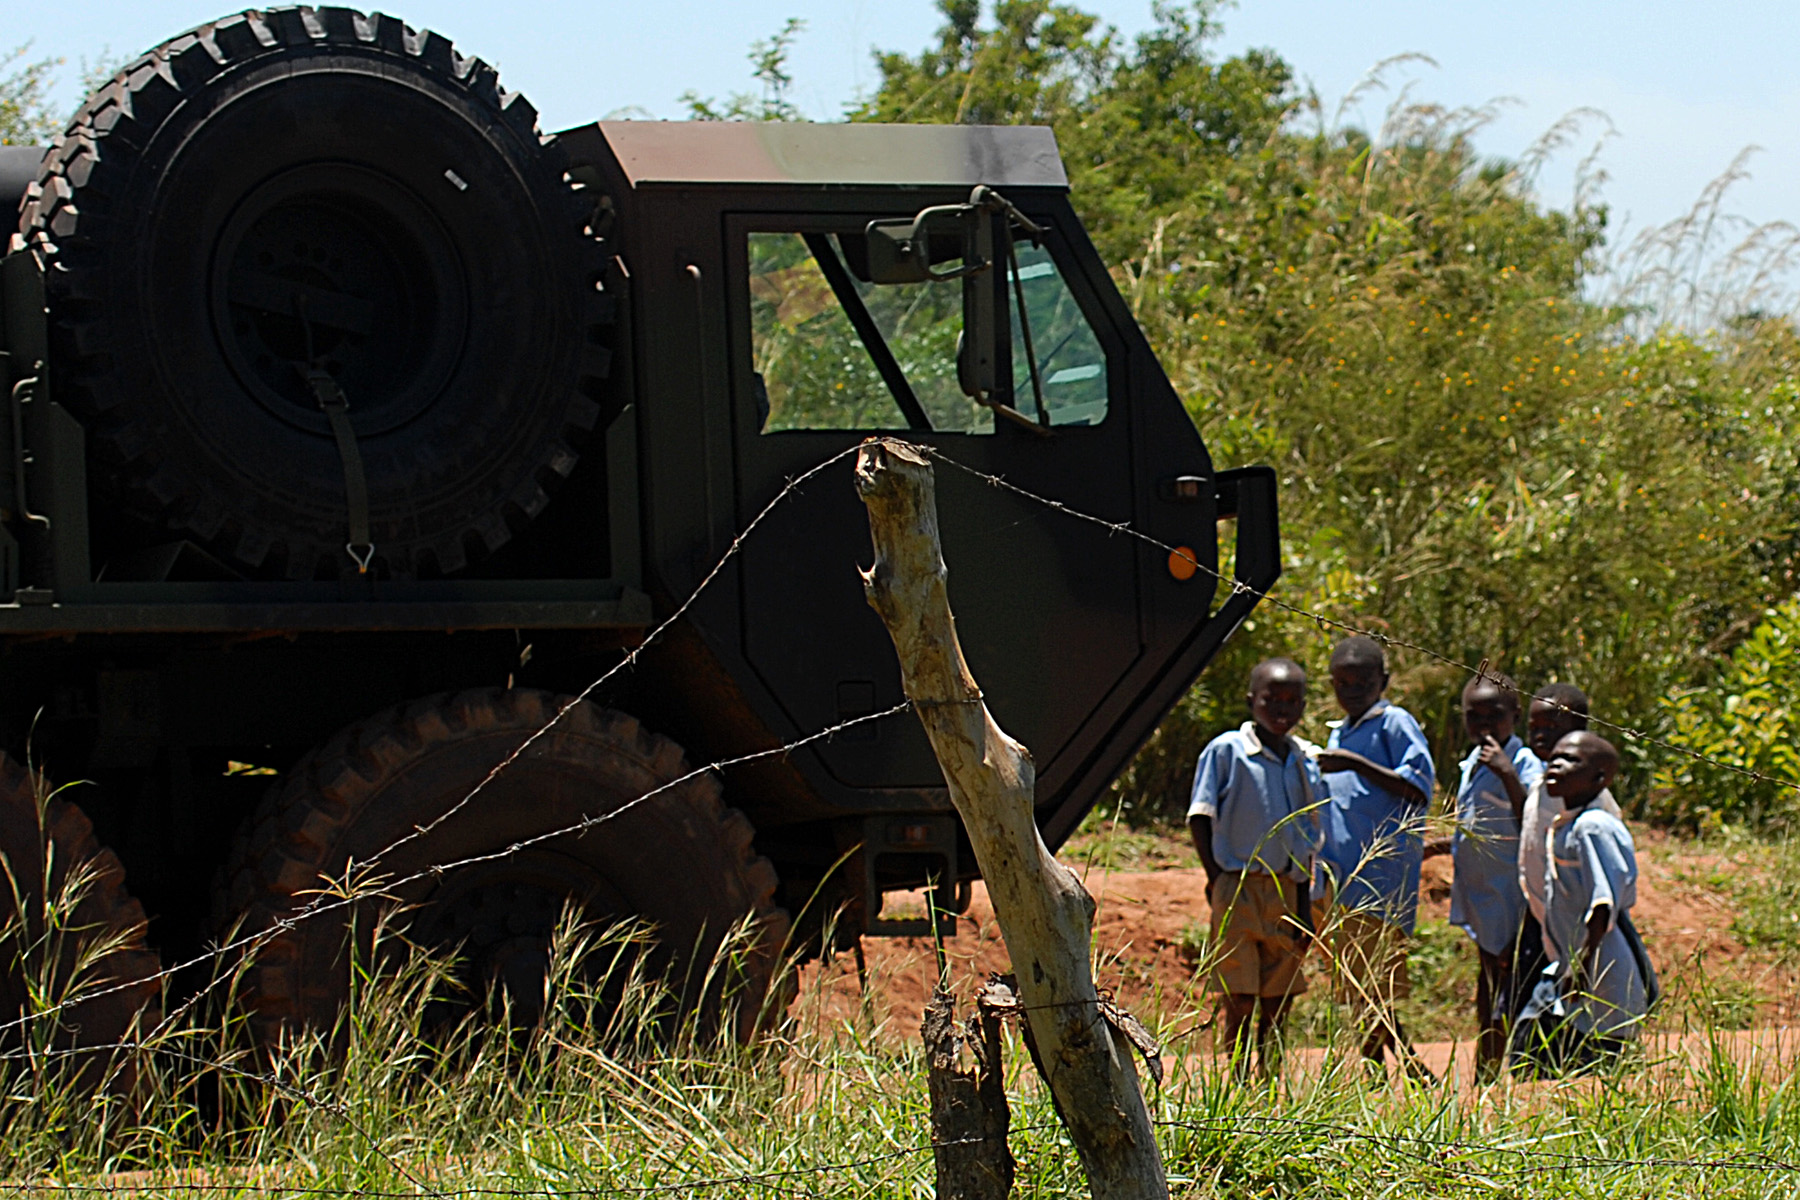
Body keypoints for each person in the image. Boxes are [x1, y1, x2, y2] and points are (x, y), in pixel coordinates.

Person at [1187, 657, 1324, 1079]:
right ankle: (1237, 1078)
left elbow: (1305, 839)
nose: (1282, 709)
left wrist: (1303, 905)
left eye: (1292, 700)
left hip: (1287, 889)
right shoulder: (1228, 751)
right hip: (1239, 885)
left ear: (1303, 705)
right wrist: (1217, 879)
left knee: (1279, 995)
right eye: (1271, 699)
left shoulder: (1303, 759)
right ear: (1252, 701)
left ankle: (1268, 1079)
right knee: (1239, 993)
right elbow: (1200, 817)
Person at [1311, 635, 1436, 1077]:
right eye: (1343, 683)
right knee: (1357, 983)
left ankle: (1377, 1068)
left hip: (1380, 879)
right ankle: (1404, 1061)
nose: (1352, 691)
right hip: (1340, 878)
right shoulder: (1337, 732)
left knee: (1372, 981)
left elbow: (1418, 787)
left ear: (1383, 681)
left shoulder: (1393, 723)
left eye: (1362, 682)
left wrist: (1354, 764)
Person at [1512, 731, 1652, 1075]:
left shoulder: (1591, 827)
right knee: (1532, 1054)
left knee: (1592, 1065)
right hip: (1569, 967)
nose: (1555, 764)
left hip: (1597, 970)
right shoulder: (1568, 824)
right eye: (1555, 757)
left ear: (1599, 779)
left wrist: (1581, 966)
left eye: (1571, 760)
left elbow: (1602, 905)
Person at [1450, 672, 1543, 1079]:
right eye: (1475, 715)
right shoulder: (1473, 759)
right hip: (1481, 893)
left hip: (1511, 896)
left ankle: (1502, 1073)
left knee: (1505, 985)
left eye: (1495, 714)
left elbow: (1533, 821)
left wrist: (1507, 774)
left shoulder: (1522, 763)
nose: (1485, 724)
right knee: (1488, 982)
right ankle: (1486, 1072)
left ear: (1516, 716)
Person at [1513, 684, 1622, 1022]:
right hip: (1541, 915)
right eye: (1535, 728)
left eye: (1553, 728)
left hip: (1576, 926)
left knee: (1569, 1010)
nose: (1542, 736)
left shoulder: (1590, 805)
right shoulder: (1544, 784)